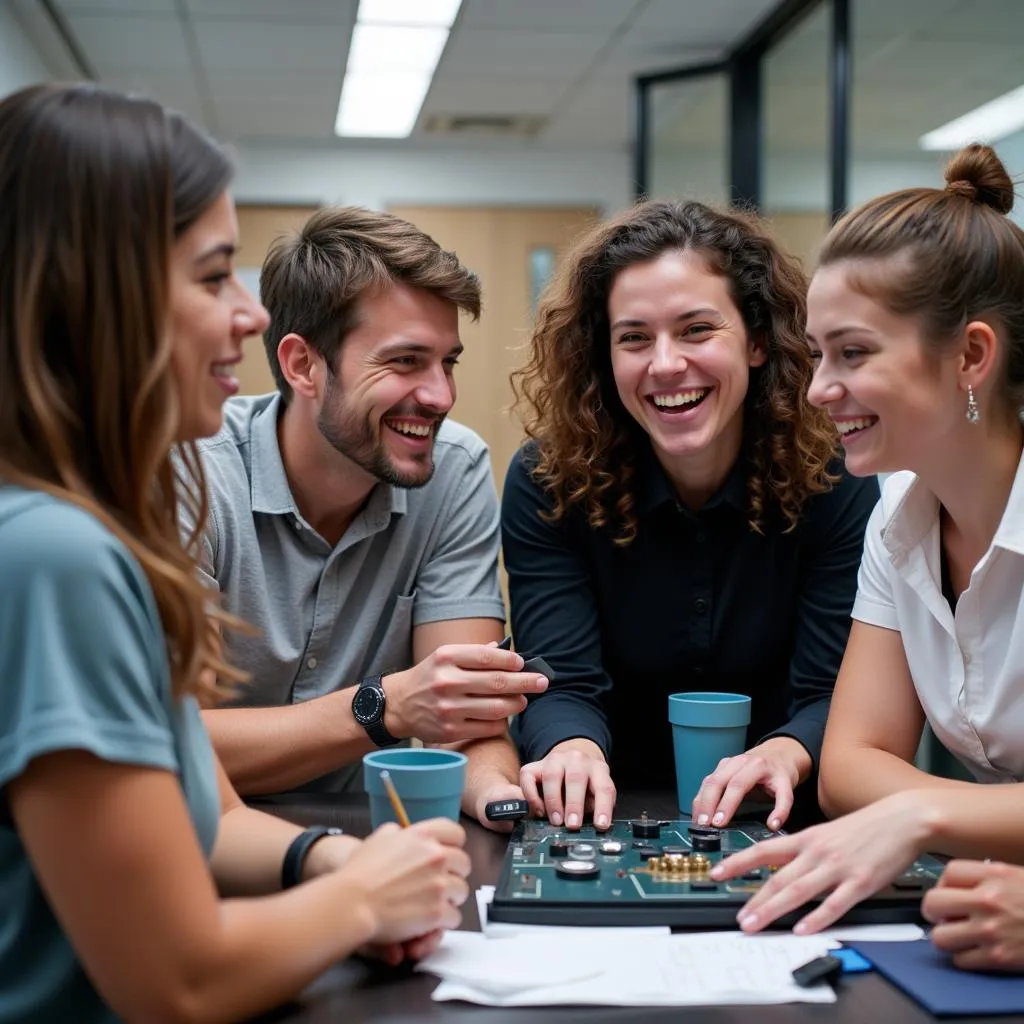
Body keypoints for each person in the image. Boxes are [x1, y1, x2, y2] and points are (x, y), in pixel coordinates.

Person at [0, 83, 470, 1023]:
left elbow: (197, 814)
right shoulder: (54, 558)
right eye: (214, 278)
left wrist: (327, 858)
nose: (250, 318)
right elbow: (181, 979)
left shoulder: (95, 530)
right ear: (97, 294)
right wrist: (362, 899)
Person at [712, 144, 1024, 950]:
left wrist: (922, 814)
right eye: (818, 354)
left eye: (853, 353)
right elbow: (851, 764)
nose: (818, 389)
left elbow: (885, 788)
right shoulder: (896, 518)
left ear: (972, 357)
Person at [502, 199, 879, 832]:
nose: (666, 363)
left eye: (697, 329)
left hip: (786, 819)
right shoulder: (548, 480)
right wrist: (571, 748)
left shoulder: (835, 477)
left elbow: (835, 692)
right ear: (604, 356)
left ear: (758, 341)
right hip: (604, 815)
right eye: (633, 338)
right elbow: (560, 680)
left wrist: (788, 751)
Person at [184, 206, 539, 829]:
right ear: (303, 366)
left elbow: (467, 716)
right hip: (199, 840)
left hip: (371, 834)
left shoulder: (454, 472)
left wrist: (495, 795)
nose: (440, 396)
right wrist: (386, 706)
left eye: (447, 362)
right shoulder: (192, 477)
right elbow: (169, 746)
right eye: (405, 362)